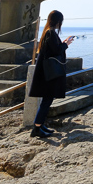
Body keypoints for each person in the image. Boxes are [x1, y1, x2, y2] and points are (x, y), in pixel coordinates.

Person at [28, 10, 75, 138]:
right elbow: (56, 50)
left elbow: (53, 49)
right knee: (47, 100)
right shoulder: (50, 33)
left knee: (47, 100)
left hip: (46, 73)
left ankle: (40, 125)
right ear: (58, 21)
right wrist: (66, 44)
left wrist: (63, 43)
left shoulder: (48, 32)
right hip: (48, 74)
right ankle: (36, 128)